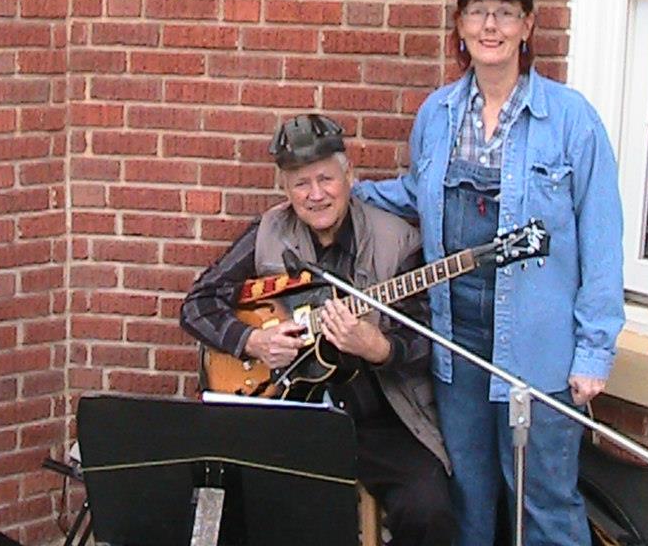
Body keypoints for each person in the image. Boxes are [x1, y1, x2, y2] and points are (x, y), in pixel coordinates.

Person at [353, 0, 625, 546]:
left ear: (528, 26)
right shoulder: (438, 115)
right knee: (469, 499)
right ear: (460, 26)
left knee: (544, 502)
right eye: (478, 12)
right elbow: (417, 194)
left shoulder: (571, 120)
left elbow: (602, 239)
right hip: (457, 346)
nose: (491, 26)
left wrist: (593, 352)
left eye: (506, 13)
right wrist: (344, 194)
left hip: (539, 350)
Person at [180, 114, 454, 546]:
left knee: (430, 508)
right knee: (226, 498)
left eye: (326, 179)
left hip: (377, 421)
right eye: (301, 184)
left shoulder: (397, 240)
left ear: (349, 176)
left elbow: (425, 341)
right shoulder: (268, 232)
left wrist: (379, 347)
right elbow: (198, 304)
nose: (315, 194)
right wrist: (253, 340)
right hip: (288, 415)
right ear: (285, 191)